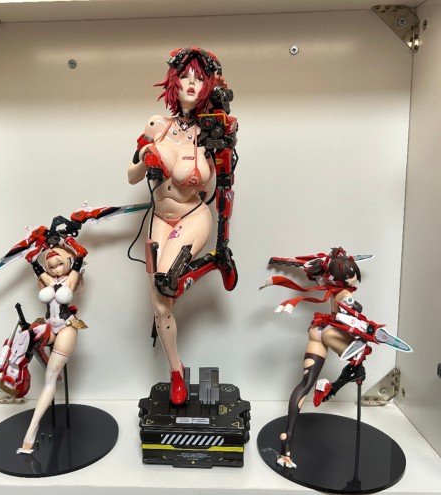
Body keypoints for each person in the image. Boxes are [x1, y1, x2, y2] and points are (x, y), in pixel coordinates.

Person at [128, 47, 238, 405]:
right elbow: (131, 176)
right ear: (173, 82)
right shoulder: (156, 126)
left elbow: (226, 185)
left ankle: (211, 262)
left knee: (165, 279)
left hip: (193, 216)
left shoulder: (212, 133)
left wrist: (224, 241)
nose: (192, 84)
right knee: (161, 305)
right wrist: (146, 158)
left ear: (209, 86)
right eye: (186, 77)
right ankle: (176, 371)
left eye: (199, 79)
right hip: (159, 219)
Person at [261, 247, 365, 469]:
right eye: (354, 273)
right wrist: (354, 307)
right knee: (360, 356)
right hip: (330, 333)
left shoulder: (330, 284)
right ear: (348, 276)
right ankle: (333, 385)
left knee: (305, 383)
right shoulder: (345, 293)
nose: (356, 277)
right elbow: (352, 308)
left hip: (317, 331)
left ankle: (287, 443)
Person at [16, 238, 87, 454]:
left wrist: (70, 242)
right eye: (51, 266)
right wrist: (34, 252)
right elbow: (36, 267)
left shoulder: (71, 278)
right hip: (49, 326)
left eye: (59, 264)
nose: (55, 270)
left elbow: (80, 256)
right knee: (25, 339)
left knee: (49, 380)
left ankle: (31, 430)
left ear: (68, 262)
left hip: (66, 327)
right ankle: (19, 373)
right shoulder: (48, 279)